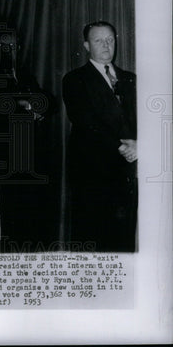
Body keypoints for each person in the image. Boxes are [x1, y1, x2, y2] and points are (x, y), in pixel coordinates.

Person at [62, 21, 137, 252]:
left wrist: (139, 144)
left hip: (125, 173)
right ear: (86, 45)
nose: (106, 45)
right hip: (92, 174)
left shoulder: (130, 79)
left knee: (123, 240)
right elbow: (86, 122)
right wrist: (122, 147)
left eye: (110, 40)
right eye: (98, 40)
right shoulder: (75, 79)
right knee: (92, 240)